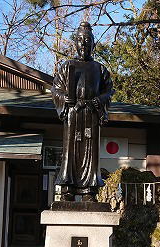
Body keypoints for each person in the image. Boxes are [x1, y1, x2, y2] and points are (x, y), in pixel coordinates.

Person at [51, 22, 114, 202]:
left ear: (93, 44)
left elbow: (109, 90)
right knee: (71, 150)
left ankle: (89, 189)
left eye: (87, 41)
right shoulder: (67, 66)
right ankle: (68, 187)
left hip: (91, 114)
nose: (83, 44)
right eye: (80, 40)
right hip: (73, 113)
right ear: (75, 43)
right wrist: (65, 98)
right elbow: (55, 89)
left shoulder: (100, 69)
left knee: (90, 151)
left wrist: (100, 100)